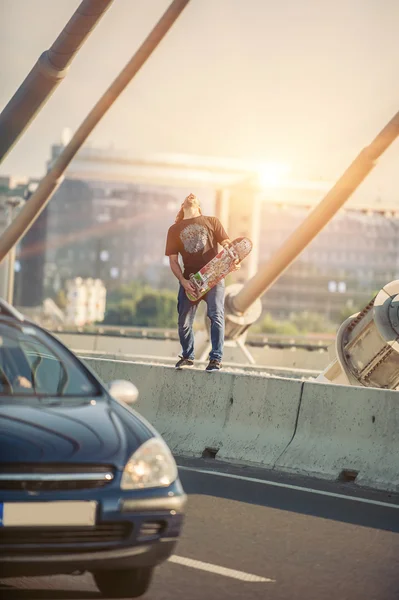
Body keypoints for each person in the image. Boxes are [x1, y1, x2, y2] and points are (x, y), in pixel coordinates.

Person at [165, 193, 239, 372]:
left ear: (198, 206)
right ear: (183, 206)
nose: (191, 196)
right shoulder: (174, 230)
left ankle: (215, 359)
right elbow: (173, 261)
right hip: (191, 281)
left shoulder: (212, 222)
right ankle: (188, 356)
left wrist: (233, 257)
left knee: (216, 315)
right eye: (187, 198)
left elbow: (227, 243)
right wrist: (183, 281)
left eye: (194, 197)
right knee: (184, 321)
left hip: (213, 277)